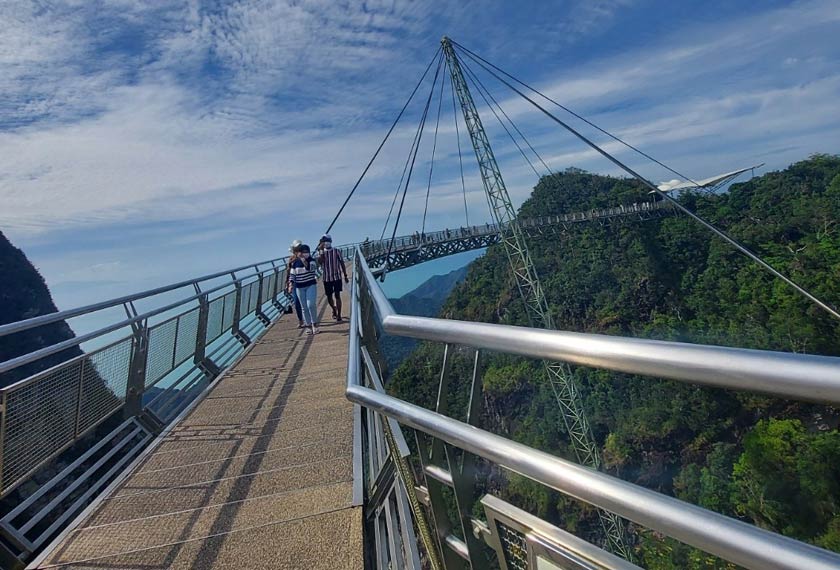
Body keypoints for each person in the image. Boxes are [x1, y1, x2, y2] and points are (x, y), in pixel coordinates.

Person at [316, 234, 349, 322]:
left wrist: (345, 275)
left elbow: (342, 263)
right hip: (327, 278)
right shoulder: (320, 252)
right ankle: (334, 309)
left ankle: (339, 315)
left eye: (327, 241)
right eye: (324, 241)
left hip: (337, 276)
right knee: (329, 296)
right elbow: (320, 262)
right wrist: (321, 251)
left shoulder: (336, 251)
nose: (326, 243)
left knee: (337, 295)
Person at [288, 243, 319, 334]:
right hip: (299, 287)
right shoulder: (295, 263)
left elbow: (311, 269)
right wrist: (290, 285)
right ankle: (308, 325)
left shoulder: (311, 260)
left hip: (310, 285)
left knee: (311, 304)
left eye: (307, 252)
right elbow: (292, 275)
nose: (305, 254)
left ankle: (315, 324)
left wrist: (304, 260)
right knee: (304, 307)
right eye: (303, 252)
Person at [286, 240, 304, 328]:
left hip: (304, 281)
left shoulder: (304, 257)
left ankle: (308, 319)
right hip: (294, 283)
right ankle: (301, 320)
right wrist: (288, 283)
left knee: (304, 302)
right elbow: (288, 271)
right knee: (297, 302)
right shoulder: (291, 259)